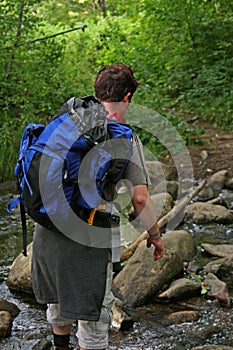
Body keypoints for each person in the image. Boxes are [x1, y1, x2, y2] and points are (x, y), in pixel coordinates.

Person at [31, 63, 164, 350]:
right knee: (93, 319)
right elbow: (140, 199)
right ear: (127, 97)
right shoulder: (124, 136)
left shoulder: (66, 121)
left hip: (46, 227)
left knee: (57, 304)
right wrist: (155, 235)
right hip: (88, 237)